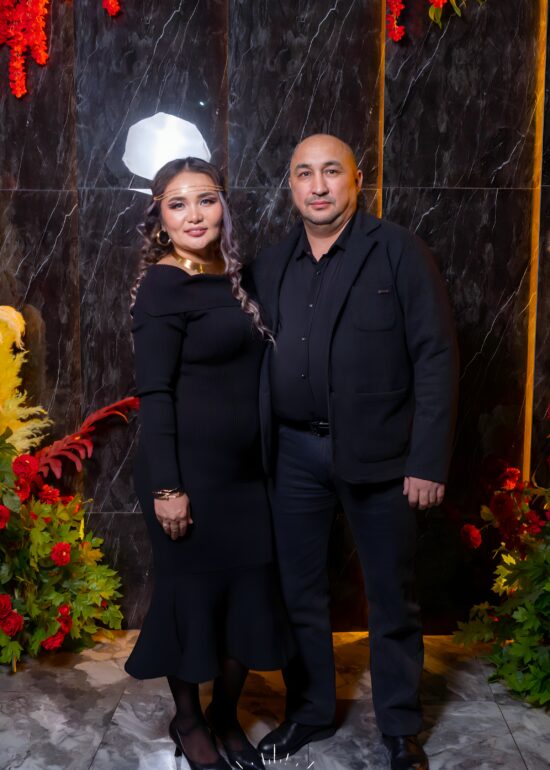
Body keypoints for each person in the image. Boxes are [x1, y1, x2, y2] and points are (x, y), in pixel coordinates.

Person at [253, 134, 459, 770]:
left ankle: (399, 729)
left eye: (331, 172)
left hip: (383, 456)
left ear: (357, 180)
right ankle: (310, 712)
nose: (318, 186)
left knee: (392, 597)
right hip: (293, 452)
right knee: (299, 592)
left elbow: (436, 356)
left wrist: (427, 460)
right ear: (291, 185)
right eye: (304, 174)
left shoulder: (399, 251)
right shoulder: (271, 263)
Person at [125, 157, 290, 770]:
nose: (194, 215)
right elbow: (155, 393)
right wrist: (169, 487)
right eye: (178, 204)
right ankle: (189, 720)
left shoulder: (236, 277)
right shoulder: (163, 286)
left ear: (224, 206)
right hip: (186, 476)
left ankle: (225, 713)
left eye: (206, 199)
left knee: (247, 596)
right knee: (192, 600)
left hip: (246, 477)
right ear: (160, 220)